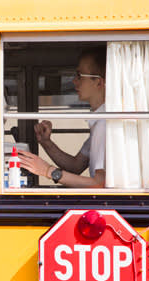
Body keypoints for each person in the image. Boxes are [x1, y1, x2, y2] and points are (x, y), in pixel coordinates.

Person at [19, 47, 106, 188]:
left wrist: (47, 171)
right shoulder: (100, 121)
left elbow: (99, 184)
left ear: (98, 82)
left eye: (79, 76)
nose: (74, 81)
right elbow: (76, 165)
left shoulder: (106, 124)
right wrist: (46, 142)